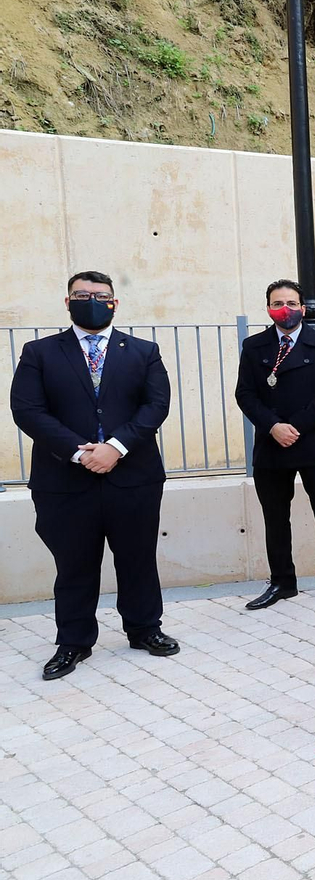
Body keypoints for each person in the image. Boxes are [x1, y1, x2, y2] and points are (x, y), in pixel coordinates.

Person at [11, 271, 178, 680]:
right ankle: (73, 642)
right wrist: (77, 452)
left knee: (137, 559)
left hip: (133, 476)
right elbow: (27, 410)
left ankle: (144, 629)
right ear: (67, 302)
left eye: (100, 295)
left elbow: (155, 405)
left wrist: (115, 447)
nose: (91, 300)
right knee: (73, 564)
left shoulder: (143, 351)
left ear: (115, 303)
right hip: (64, 481)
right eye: (82, 294)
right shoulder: (39, 352)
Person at [235, 279, 315, 610]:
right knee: (275, 516)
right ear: (268, 308)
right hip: (271, 444)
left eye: (292, 303)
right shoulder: (254, 346)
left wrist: (295, 426)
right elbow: (245, 393)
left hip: (312, 442)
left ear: (303, 307)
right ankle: (283, 581)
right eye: (277, 303)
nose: (285, 309)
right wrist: (272, 426)